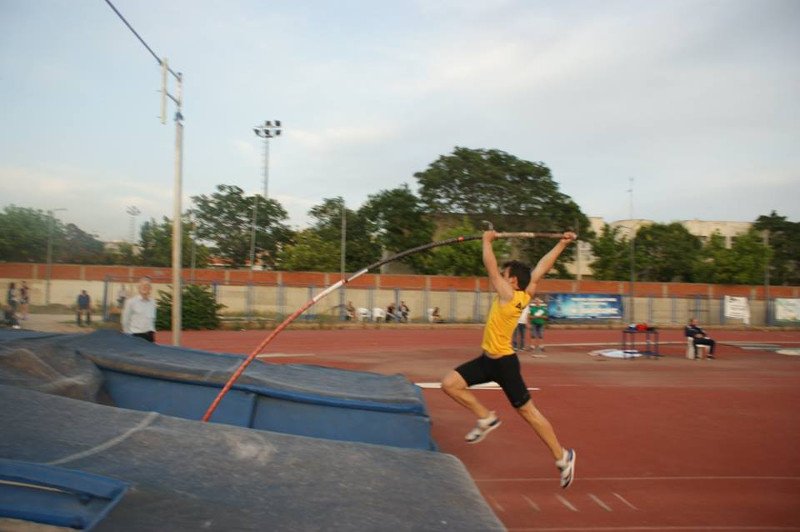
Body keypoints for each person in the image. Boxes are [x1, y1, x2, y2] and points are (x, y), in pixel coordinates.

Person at [441, 230, 578, 489]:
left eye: (505, 277)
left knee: (529, 413)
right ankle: (485, 417)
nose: (500, 279)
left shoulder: (509, 296)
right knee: (449, 383)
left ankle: (563, 456)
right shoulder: (525, 293)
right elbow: (541, 269)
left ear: (513, 282)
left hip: (504, 365)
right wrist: (561, 244)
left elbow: (491, 268)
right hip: (487, 360)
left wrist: (486, 241)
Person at [122, 277, 157, 342]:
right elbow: (125, 321)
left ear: (150, 288)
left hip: (150, 336)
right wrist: (128, 336)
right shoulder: (131, 302)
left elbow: (153, 320)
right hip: (136, 336)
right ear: (138, 288)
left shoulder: (153, 302)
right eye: (142, 285)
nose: (144, 287)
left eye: (147, 285)